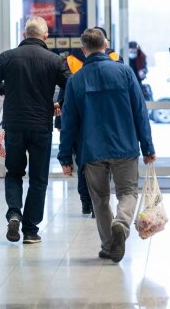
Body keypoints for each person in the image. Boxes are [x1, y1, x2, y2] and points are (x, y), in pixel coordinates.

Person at [58, 28, 155, 263]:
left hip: (91, 150)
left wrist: (64, 157)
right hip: (124, 145)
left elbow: (68, 121)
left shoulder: (76, 79)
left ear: (83, 50)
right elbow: (140, 112)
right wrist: (147, 147)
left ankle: (109, 244)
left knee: (99, 199)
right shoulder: (124, 72)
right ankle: (121, 223)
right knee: (127, 192)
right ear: (105, 45)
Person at [0, 16, 69, 244]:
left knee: (14, 172)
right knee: (38, 178)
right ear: (45, 36)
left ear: (24, 35)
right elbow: (71, 85)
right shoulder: (55, 60)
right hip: (41, 126)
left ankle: (13, 213)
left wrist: (6, 90)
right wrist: (59, 103)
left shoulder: (8, 57)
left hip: (15, 126)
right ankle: (30, 230)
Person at [55, 26, 122, 217]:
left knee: (83, 162)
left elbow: (65, 91)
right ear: (105, 42)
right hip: (106, 120)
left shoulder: (69, 60)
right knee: (104, 163)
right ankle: (97, 202)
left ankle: (86, 202)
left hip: (78, 120)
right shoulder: (115, 59)